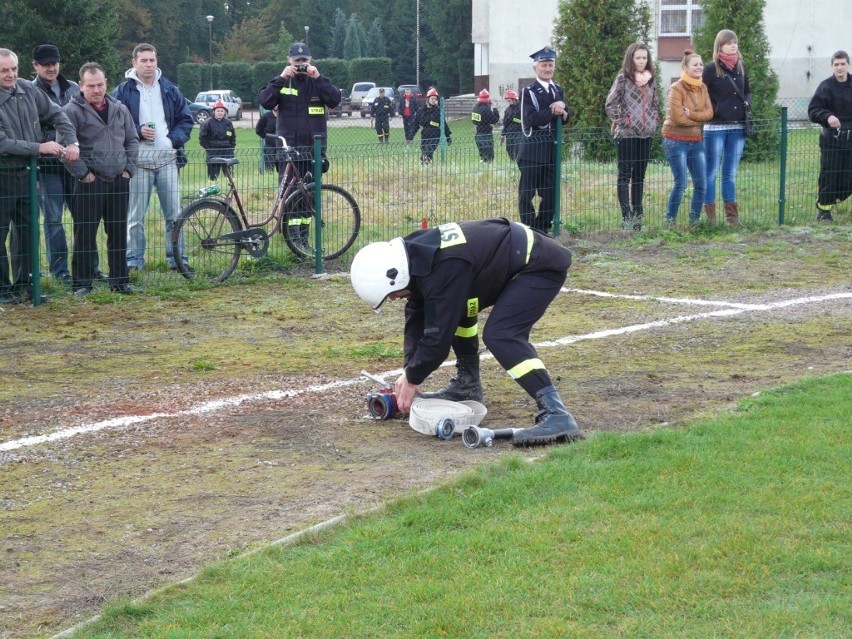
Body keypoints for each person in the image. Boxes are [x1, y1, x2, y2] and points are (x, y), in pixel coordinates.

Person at [350, 218, 584, 447]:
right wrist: (409, 369)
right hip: (513, 259)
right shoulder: (416, 257)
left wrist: (412, 378)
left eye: (391, 294)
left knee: (501, 334)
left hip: (539, 265)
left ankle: (556, 414)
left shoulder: (446, 266)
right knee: (458, 310)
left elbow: (437, 339)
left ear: (395, 274)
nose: (392, 298)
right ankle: (467, 385)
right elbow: (415, 316)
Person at [0, 48, 79, 305]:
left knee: (27, 233)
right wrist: (39, 148)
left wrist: (72, 142)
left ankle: (25, 287)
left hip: (27, 175)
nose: (10, 74)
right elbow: (3, 143)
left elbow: (58, 114)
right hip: (2, 174)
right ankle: (3, 290)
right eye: (4, 70)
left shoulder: (26, 89)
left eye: (13, 68)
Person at [113, 42, 194, 271]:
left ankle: (177, 260)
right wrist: (137, 131)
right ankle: (134, 261)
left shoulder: (170, 89)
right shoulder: (122, 92)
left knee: (174, 216)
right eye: (143, 61)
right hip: (138, 164)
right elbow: (114, 123)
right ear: (134, 63)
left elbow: (186, 120)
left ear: (156, 61)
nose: (149, 65)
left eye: (152, 60)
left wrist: (171, 141)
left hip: (167, 161)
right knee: (135, 218)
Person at [63, 62, 138, 295]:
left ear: (106, 83)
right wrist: (84, 175)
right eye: (91, 86)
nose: (96, 90)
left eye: (100, 84)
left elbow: (132, 141)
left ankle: (119, 281)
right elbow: (66, 148)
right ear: (81, 86)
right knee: (85, 235)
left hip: (118, 180)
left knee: (117, 233)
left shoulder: (120, 109)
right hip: (89, 182)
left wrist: (129, 171)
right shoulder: (71, 111)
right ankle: (82, 284)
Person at [257, 42, 341, 246]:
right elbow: (265, 101)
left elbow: (335, 100)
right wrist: (282, 78)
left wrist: (318, 77)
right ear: (289, 61)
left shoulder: (317, 82)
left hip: (314, 149)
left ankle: (302, 239)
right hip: (289, 151)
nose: (301, 65)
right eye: (297, 61)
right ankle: (291, 237)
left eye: (305, 61)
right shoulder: (283, 82)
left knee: (309, 197)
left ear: (310, 60)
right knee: (289, 196)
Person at [30, 44, 91, 284]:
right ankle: (60, 270)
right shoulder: (29, 91)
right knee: (53, 219)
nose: (51, 68)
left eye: (54, 63)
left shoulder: (74, 89)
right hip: (48, 167)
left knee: (83, 217)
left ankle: (87, 267)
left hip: (74, 164)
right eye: (45, 64)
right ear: (35, 66)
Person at [605, 42, 660, 231]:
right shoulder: (622, 78)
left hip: (646, 134)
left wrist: (654, 119)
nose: (641, 61)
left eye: (644, 58)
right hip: (627, 134)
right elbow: (610, 104)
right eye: (638, 58)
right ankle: (626, 216)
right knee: (625, 175)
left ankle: (638, 217)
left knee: (639, 177)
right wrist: (624, 121)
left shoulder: (652, 79)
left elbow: (655, 103)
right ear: (631, 58)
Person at [518, 47, 569, 234]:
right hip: (532, 151)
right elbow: (530, 119)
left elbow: (567, 116)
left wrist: (563, 109)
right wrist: (553, 111)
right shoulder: (528, 92)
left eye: (551, 65)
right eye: (544, 65)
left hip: (551, 151)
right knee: (526, 195)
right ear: (535, 68)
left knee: (550, 194)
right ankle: (529, 230)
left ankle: (542, 228)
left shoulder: (558, 90)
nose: (548, 69)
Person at [702, 30, 752, 226]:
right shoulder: (710, 69)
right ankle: (711, 220)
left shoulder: (741, 67)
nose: (733, 46)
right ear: (719, 46)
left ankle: (732, 219)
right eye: (729, 43)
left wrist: (747, 103)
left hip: (737, 127)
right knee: (711, 172)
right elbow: (701, 94)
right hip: (715, 128)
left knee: (730, 173)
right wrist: (713, 109)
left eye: (735, 42)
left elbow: (747, 91)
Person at [662, 50, 714, 226]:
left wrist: (691, 114)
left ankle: (694, 221)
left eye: (701, 64)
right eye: (695, 64)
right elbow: (678, 118)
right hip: (675, 140)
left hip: (695, 140)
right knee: (682, 183)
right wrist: (697, 118)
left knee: (701, 183)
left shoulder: (703, 87)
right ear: (685, 67)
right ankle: (670, 221)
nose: (700, 67)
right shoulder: (676, 88)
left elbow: (710, 113)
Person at [808, 50, 852, 223]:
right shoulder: (825, 87)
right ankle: (824, 211)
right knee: (830, 176)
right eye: (836, 64)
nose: (839, 67)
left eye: (842, 64)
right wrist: (827, 116)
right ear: (832, 66)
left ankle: (839, 198)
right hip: (832, 140)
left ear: (848, 64)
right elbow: (813, 110)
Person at [412, 88, 451, 165]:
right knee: (424, 150)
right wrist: (411, 136)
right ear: (428, 99)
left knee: (429, 150)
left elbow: (444, 124)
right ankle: (427, 165)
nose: (434, 100)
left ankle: (426, 162)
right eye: (432, 98)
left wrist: (448, 136)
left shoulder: (438, 111)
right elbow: (415, 125)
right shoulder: (421, 111)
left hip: (435, 133)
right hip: (425, 133)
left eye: (435, 99)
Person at [199, 100, 236, 181]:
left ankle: (231, 190)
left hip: (227, 151)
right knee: (213, 177)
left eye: (222, 111)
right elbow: (202, 138)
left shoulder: (228, 122)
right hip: (213, 152)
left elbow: (233, 137)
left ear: (225, 112)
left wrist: (231, 147)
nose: (220, 113)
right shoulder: (207, 123)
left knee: (230, 176)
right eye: (218, 111)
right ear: (214, 111)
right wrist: (209, 148)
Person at [471, 89, 500, 162]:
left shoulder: (475, 109)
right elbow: (495, 120)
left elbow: (474, 121)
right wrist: (495, 109)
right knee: (489, 155)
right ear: (488, 100)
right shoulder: (486, 110)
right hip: (486, 134)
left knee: (483, 154)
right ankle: (488, 166)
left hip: (478, 134)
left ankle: (483, 163)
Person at [500, 89, 522, 162]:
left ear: (514, 99)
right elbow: (505, 123)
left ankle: (518, 161)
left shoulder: (521, 108)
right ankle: (512, 161)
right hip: (509, 133)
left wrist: (514, 119)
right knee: (509, 149)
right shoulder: (507, 110)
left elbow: (523, 121)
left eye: (509, 100)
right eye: (507, 100)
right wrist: (503, 134)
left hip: (518, 132)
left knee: (517, 148)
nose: (508, 102)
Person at [255, 106, 278, 171]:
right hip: (269, 147)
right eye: (275, 104)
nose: (277, 106)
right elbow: (258, 130)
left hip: (282, 147)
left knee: (282, 169)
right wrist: (267, 136)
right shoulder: (266, 116)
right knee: (269, 169)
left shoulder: (284, 116)